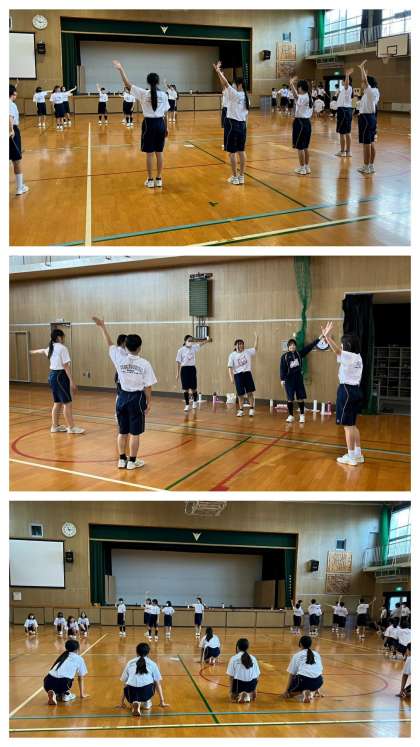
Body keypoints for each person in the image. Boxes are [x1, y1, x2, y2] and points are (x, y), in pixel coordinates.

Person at [93, 317, 157, 470]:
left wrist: (102, 327)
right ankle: (132, 461)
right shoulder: (145, 364)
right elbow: (148, 386)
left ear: (125, 347)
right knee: (135, 433)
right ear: (139, 348)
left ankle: (121, 460)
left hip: (121, 398)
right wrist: (149, 402)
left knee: (122, 432)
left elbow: (109, 344)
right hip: (137, 399)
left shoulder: (119, 358)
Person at [113, 60, 170, 188]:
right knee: (159, 153)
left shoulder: (143, 93)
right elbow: (165, 114)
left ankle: (150, 180)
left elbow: (127, 85)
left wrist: (121, 69)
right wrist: (166, 128)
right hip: (160, 124)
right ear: (158, 82)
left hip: (149, 125)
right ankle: (159, 179)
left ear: (148, 82)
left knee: (149, 154)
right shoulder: (164, 95)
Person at [321, 323, 364, 466]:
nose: (341, 345)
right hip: (356, 391)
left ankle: (351, 457)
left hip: (346, 391)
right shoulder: (358, 357)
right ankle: (358, 454)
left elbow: (337, 351)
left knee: (347, 426)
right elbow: (338, 352)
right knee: (353, 425)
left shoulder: (349, 356)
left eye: (342, 343)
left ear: (348, 345)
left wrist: (327, 337)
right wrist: (328, 339)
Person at [29, 328, 85, 434]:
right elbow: (66, 366)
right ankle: (71, 427)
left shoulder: (50, 348)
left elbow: (42, 350)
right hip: (60, 376)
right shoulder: (62, 348)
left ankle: (54, 426)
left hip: (52, 376)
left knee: (57, 402)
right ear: (59, 337)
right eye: (63, 336)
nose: (64, 338)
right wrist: (72, 381)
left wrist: (33, 351)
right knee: (67, 403)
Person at [213, 61, 249, 185]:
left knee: (232, 153)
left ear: (239, 85)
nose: (232, 85)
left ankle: (234, 177)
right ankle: (241, 176)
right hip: (243, 126)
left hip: (232, 125)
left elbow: (226, 84)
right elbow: (225, 85)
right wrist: (220, 74)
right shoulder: (245, 96)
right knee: (242, 151)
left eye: (234, 83)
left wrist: (218, 71)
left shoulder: (235, 94)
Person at [280, 329, 328, 423]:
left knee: (300, 398)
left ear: (296, 346)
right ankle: (290, 416)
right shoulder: (284, 357)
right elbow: (282, 368)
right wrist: (282, 379)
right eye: (290, 345)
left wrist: (320, 338)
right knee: (289, 398)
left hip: (298, 378)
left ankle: (302, 415)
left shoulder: (299, 354)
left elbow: (309, 347)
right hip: (289, 380)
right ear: (288, 347)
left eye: (294, 345)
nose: (292, 346)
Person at [120, 642, 169, 716]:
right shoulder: (152, 664)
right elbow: (157, 683)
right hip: (146, 692)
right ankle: (146, 703)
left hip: (131, 693)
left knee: (130, 685)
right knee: (154, 683)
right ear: (148, 653)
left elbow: (125, 683)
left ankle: (134, 703)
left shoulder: (130, 663)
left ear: (136, 652)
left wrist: (122, 702)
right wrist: (162, 701)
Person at [43, 639, 88, 705]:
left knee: (59, 681)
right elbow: (80, 678)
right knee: (66, 681)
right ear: (77, 649)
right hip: (63, 684)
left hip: (47, 682)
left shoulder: (62, 657)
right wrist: (82, 694)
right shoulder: (79, 659)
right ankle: (66, 695)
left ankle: (55, 694)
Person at [283, 635, 323, 703]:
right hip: (319, 681)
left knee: (289, 694)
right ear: (310, 644)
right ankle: (311, 692)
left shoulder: (297, 655)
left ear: (300, 644)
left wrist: (287, 691)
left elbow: (291, 674)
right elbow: (319, 672)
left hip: (303, 681)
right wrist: (317, 689)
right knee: (311, 682)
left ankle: (304, 692)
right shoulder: (317, 654)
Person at [356, 60, 380, 174]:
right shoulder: (374, 92)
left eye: (363, 83)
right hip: (371, 118)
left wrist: (361, 69)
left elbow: (365, 81)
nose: (361, 84)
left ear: (368, 84)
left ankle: (366, 167)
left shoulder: (370, 91)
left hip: (366, 119)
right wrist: (364, 73)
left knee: (366, 144)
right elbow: (365, 81)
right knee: (371, 142)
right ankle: (371, 166)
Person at [176, 334, 209, 411]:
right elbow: (178, 362)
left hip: (192, 369)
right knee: (185, 389)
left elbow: (201, 344)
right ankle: (187, 405)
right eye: (189, 340)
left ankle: (194, 402)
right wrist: (177, 373)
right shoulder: (180, 350)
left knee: (194, 388)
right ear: (185, 341)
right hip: (184, 369)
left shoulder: (194, 347)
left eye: (191, 340)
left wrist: (207, 340)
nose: (190, 342)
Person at [228, 334, 258, 417]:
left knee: (250, 392)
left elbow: (255, 348)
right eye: (239, 344)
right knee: (240, 394)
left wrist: (256, 338)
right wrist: (231, 378)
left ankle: (251, 409)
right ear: (236, 345)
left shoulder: (247, 352)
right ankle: (241, 410)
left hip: (247, 374)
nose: (241, 345)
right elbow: (230, 367)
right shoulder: (232, 355)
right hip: (238, 375)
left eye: (242, 344)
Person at [289, 76, 313, 175]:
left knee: (300, 147)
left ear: (300, 87)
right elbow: (297, 96)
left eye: (298, 87)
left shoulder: (303, 97)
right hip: (307, 123)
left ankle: (302, 168)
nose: (297, 89)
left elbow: (296, 96)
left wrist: (291, 84)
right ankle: (306, 167)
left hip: (301, 123)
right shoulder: (309, 96)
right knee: (305, 147)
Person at [9, 84, 29, 196]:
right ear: (13, 93)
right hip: (12, 132)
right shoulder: (10, 104)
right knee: (16, 160)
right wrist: (11, 130)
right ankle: (20, 187)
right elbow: (10, 117)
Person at [226, 638, 260, 703]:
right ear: (247, 648)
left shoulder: (234, 658)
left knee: (234, 695)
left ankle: (241, 694)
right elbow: (257, 675)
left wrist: (231, 692)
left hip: (239, 686)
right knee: (253, 678)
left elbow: (231, 677)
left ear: (237, 647)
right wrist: (255, 690)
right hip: (251, 686)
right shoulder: (253, 658)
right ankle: (247, 693)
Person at [335, 70, 353, 157]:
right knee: (347, 132)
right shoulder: (345, 90)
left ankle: (343, 151)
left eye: (343, 80)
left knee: (342, 133)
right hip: (346, 111)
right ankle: (348, 152)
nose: (342, 82)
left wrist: (347, 75)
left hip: (343, 111)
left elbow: (346, 84)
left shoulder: (348, 87)